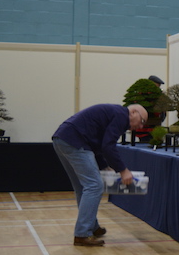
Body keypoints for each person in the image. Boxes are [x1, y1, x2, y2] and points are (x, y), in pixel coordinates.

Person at [52, 104, 148, 246]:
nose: (140, 127)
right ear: (133, 112)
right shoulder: (122, 116)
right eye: (142, 121)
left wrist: (104, 166)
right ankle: (82, 234)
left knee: (82, 187)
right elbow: (108, 146)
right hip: (75, 141)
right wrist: (123, 170)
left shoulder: (115, 113)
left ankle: (91, 226)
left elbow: (98, 144)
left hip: (62, 139)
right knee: (94, 186)